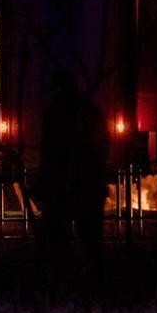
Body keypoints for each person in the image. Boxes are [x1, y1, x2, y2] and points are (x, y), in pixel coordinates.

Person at [36, 69, 110, 282]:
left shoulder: (55, 113)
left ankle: (64, 280)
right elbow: (103, 147)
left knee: (57, 236)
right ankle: (96, 280)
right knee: (91, 237)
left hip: (63, 185)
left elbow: (51, 153)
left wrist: (43, 182)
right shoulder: (90, 111)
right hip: (90, 184)